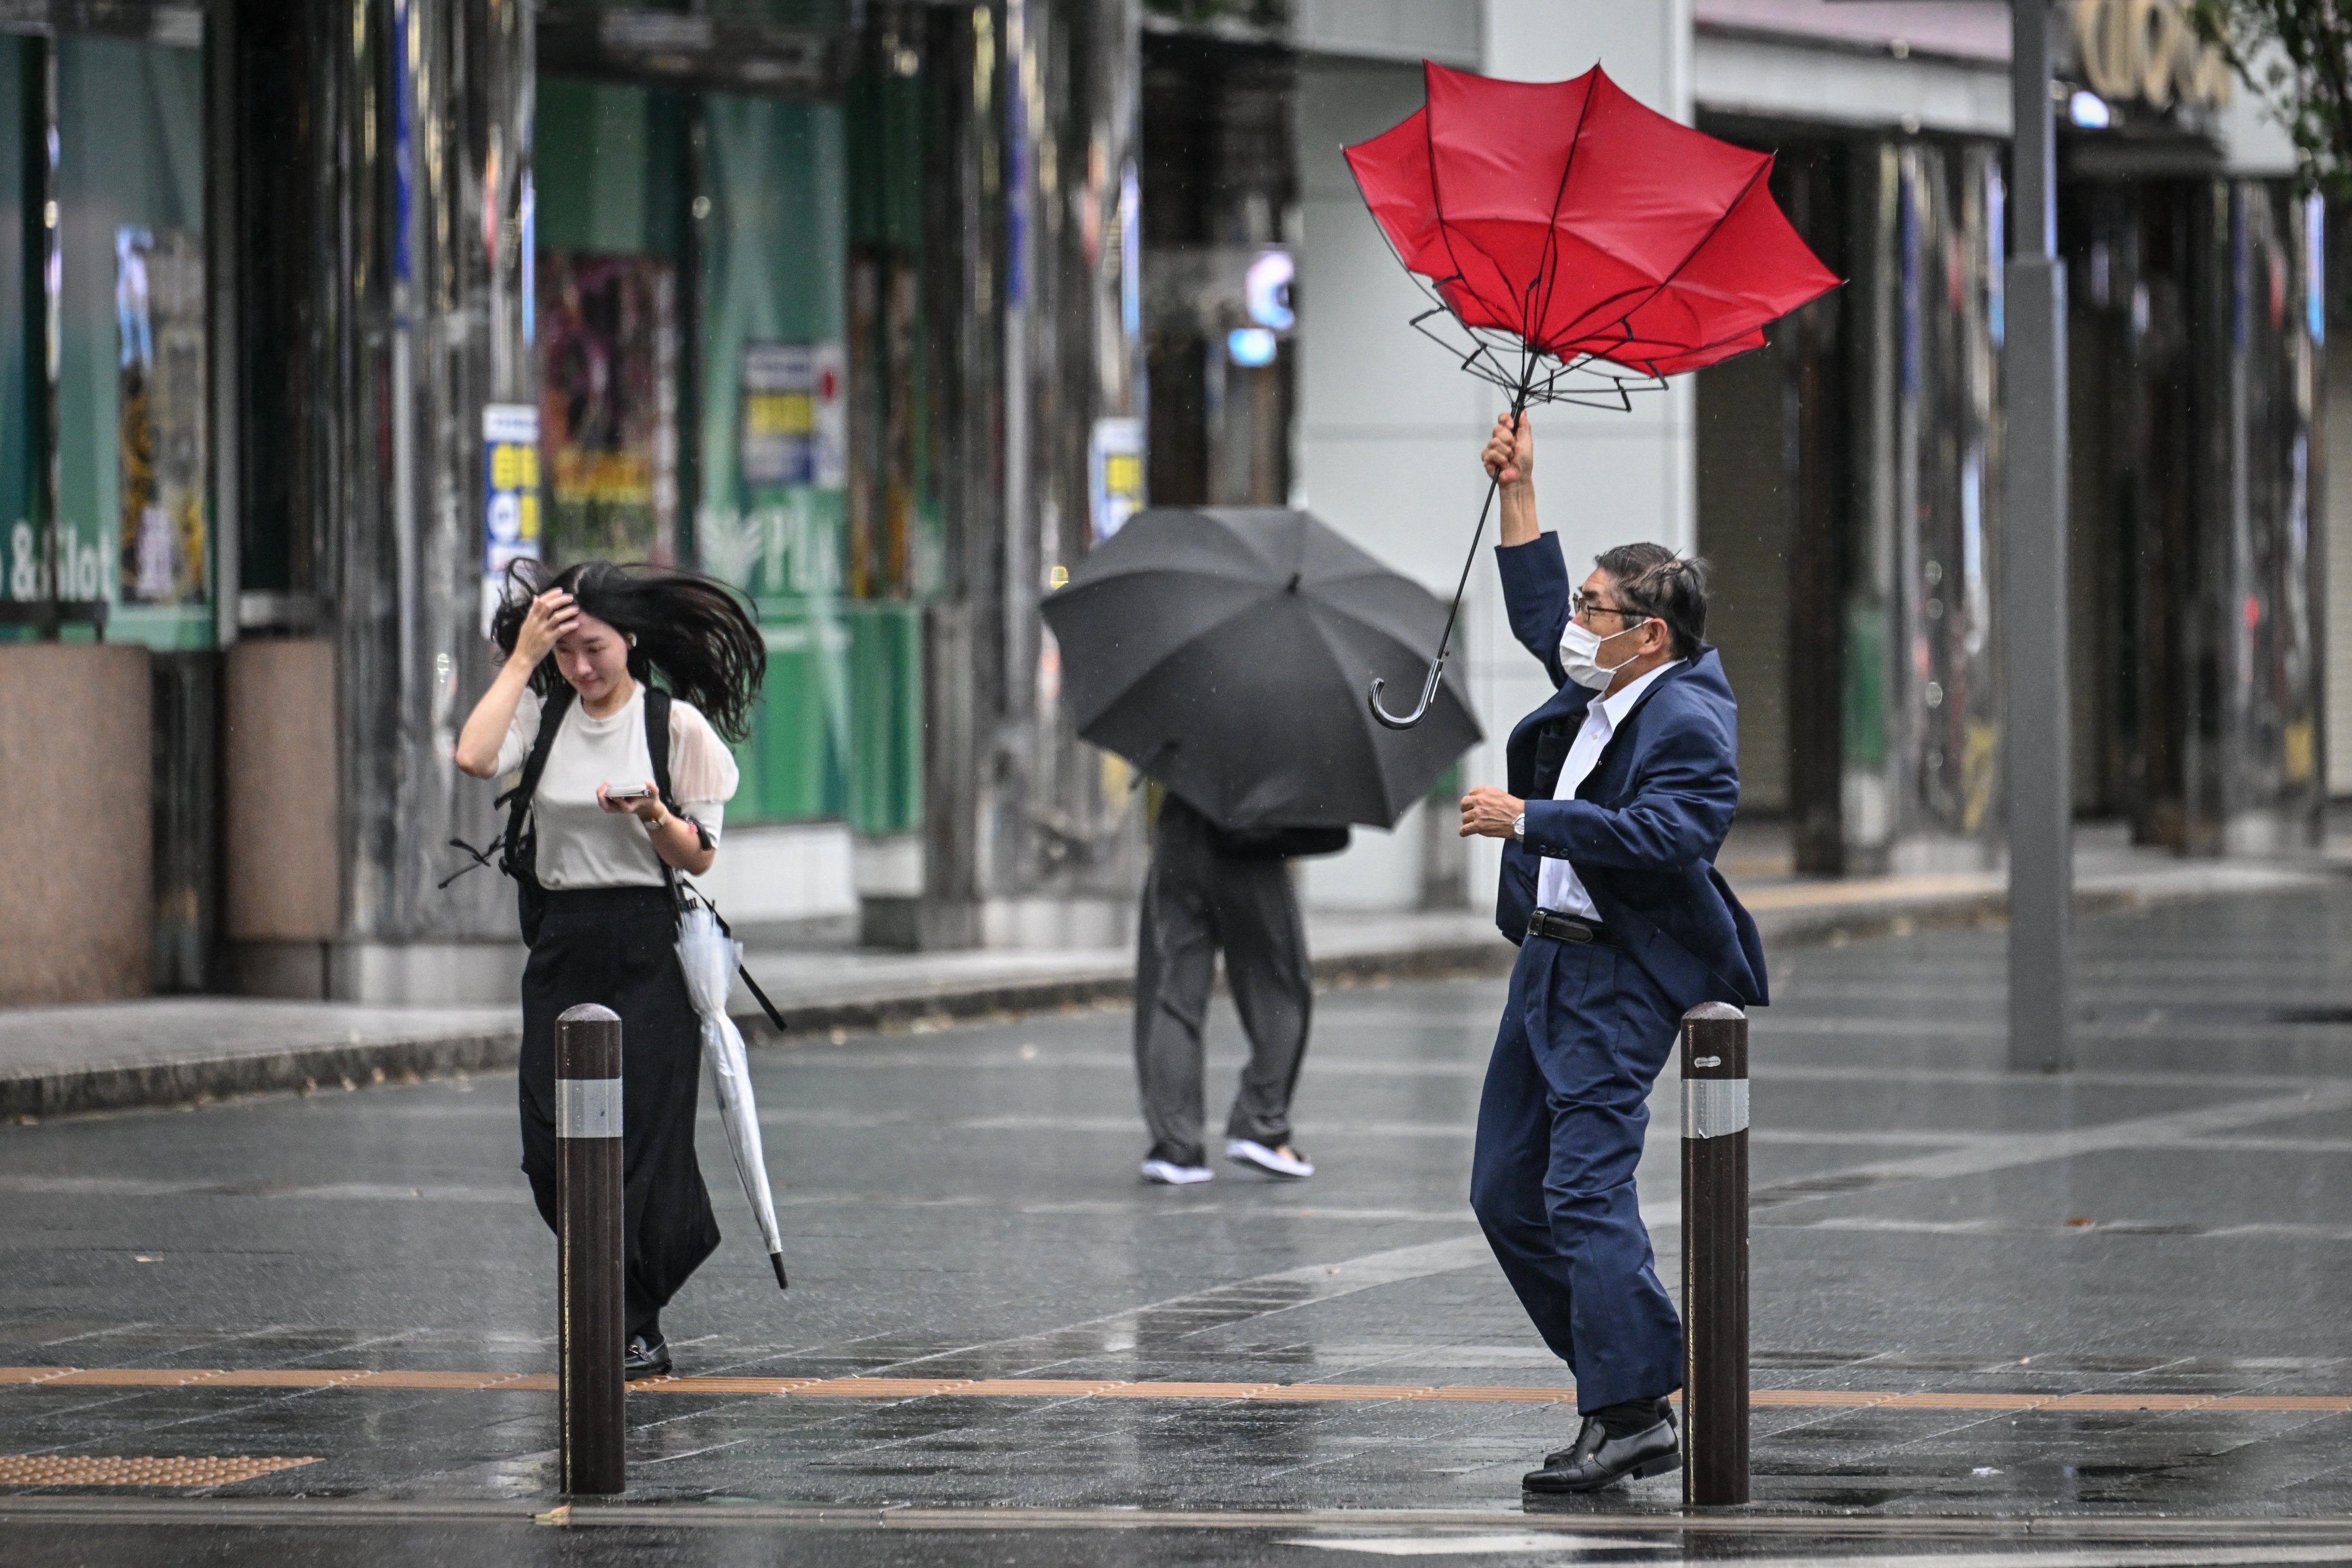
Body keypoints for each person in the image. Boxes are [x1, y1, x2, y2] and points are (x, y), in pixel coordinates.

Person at [1456, 411, 1767, 1494]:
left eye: (1597, 605)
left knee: (1584, 1194)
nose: (1575, 623)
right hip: (1544, 959)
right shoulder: (1606, 677)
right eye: (1586, 599)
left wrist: (1530, 817)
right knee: (1504, 1190)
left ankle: (1629, 1408)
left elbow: (1672, 836)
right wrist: (1518, 487)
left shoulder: (1687, 715)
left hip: (1615, 974)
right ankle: (1632, 1385)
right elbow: (1541, 611)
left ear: (1650, 631)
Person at [454, 559, 766, 1379]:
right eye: (567, 654)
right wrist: (522, 659)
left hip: (648, 946)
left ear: (630, 638)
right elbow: (473, 757)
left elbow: (697, 855)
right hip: (563, 942)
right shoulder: (540, 712)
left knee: (640, 1151)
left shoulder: (676, 728)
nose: (582, 668)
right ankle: (639, 1290)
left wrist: (655, 812)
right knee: (548, 1148)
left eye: (594, 649)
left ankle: (628, 1322)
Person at [1134, 789, 1346, 1185]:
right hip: (1253, 838)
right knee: (1279, 987)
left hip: (1180, 830)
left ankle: (1175, 1147)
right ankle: (1260, 1123)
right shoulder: (1288, 726)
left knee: (1175, 995)